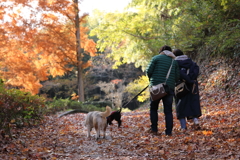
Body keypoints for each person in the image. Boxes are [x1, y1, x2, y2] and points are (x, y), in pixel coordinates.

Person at [146, 45, 179, 136]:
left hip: (156, 87)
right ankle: (168, 132)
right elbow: (177, 77)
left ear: (161, 51)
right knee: (168, 111)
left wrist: (153, 80)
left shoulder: (156, 58)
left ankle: (154, 129)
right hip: (169, 88)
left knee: (153, 108)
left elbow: (148, 71)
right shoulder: (174, 61)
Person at [173, 49, 202, 131]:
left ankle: (183, 127)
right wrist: (191, 80)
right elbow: (196, 70)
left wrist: (186, 79)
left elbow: (178, 74)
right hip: (192, 85)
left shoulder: (175, 64)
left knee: (180, 106)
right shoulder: (191, 62)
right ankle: (195, 121)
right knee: (193, 103)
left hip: (180, 86)